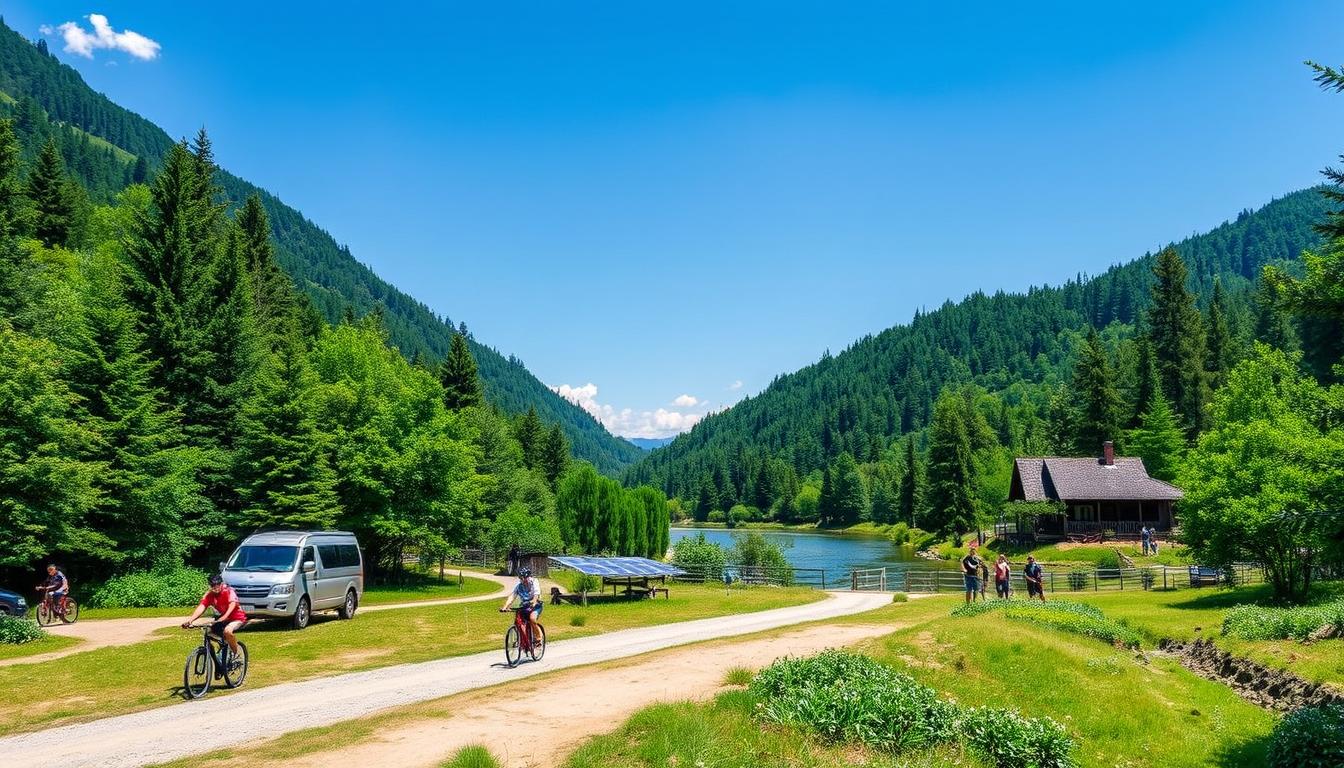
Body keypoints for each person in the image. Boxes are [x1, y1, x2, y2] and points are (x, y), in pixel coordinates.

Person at [182, 574, 247, 667]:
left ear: (221, 584)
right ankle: (222, 652)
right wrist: (190, 621)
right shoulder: (210, 595)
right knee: (208, 632)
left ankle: (235, 655)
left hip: (237, 618)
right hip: (223, 619)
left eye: (218, 585)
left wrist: (224, 617)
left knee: (227, 631)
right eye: (213, 586)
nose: (215, 588)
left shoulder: (229, 591)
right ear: (210, 586)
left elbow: (232, 605)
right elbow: (202, 607)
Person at [500, 566, 543, 647]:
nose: (523, 580)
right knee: (518, 621)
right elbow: (512, 596)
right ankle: (521, 639)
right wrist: (505, 607)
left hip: (536, 606)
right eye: (521, 578)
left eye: (524, 578)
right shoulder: (519, 586)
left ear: (528, 576)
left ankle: (539, 638)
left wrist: (534, 601)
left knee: (532, 619)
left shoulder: (534, 582)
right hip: (525, 606)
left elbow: (536, 593)